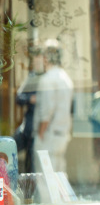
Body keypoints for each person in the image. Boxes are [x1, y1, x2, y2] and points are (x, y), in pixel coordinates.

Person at [32, 40, 74, 173]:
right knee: (59, 178)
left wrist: (40, 135)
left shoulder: (48, 79)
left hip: (48, 137)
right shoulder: (66, 78)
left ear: (46, 58)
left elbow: (46, 113)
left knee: (45, 181)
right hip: (62, 135)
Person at [14, 44, 44, 173]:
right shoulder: (32, 77)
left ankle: (30, 191)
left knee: (31, 165)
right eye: (35, 62)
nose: (37, 64)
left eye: (39, 62)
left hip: (40, 129)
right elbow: (19, 98)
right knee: (9, 148)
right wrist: (30, 99)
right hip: (27, 127)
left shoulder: (48, 79)